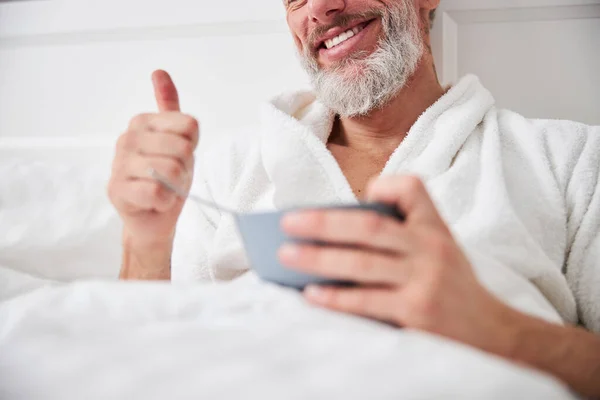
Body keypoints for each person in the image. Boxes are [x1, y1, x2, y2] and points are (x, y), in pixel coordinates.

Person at [107, 0, 600, 396]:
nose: (319, 8)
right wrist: (145, 240)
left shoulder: (569, 158)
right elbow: (145, 361)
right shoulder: (228, 170)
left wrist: (496, 328)